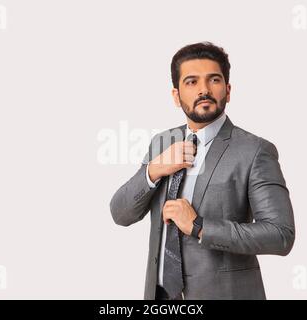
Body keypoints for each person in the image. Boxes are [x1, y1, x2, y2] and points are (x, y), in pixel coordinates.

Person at [110, 42, 295, 300]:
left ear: (228, 90)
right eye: (191, 82)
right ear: (176, 95)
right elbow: (120, 213)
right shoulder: (162, 143)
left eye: (214, 80)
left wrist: (200, 227)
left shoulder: (255, 150)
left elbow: (280, 235)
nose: (204, 90)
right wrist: (154, 170)